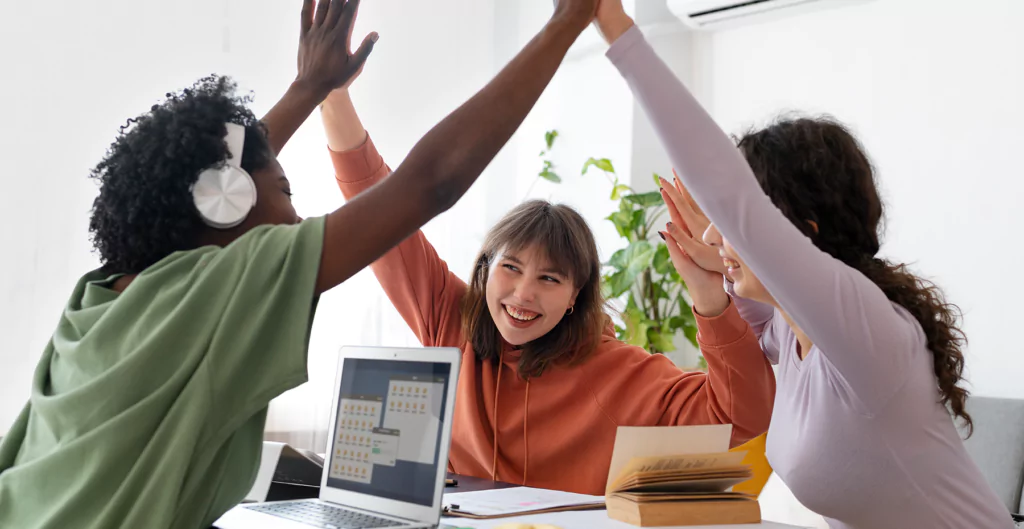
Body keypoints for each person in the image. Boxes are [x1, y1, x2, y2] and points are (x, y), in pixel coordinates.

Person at [0, 0, 603, 527]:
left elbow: (221, 180)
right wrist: (565, 23)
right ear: (224, 201)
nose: (295, 220)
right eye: (286, 193)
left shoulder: (104, 296)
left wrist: (307, 89)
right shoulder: (215, 288)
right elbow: (432, 181)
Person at [592, 2, 1015, 528]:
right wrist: (711, 282)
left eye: (738, 224)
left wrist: (615, 26)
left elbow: (726, 187)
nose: (713, 233)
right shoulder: (791, 336)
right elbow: (742, 325)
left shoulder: (864, 326)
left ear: (802, 234)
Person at [321, 68, 776, 496]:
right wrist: (333, 95)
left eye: (549, 278)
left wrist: (708, 294)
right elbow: (379, 213)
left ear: (576, 295)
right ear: (485, 270)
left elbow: (741, 417)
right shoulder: (450, 320)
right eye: (511, 268)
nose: (523, 294)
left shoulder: (617, 373)